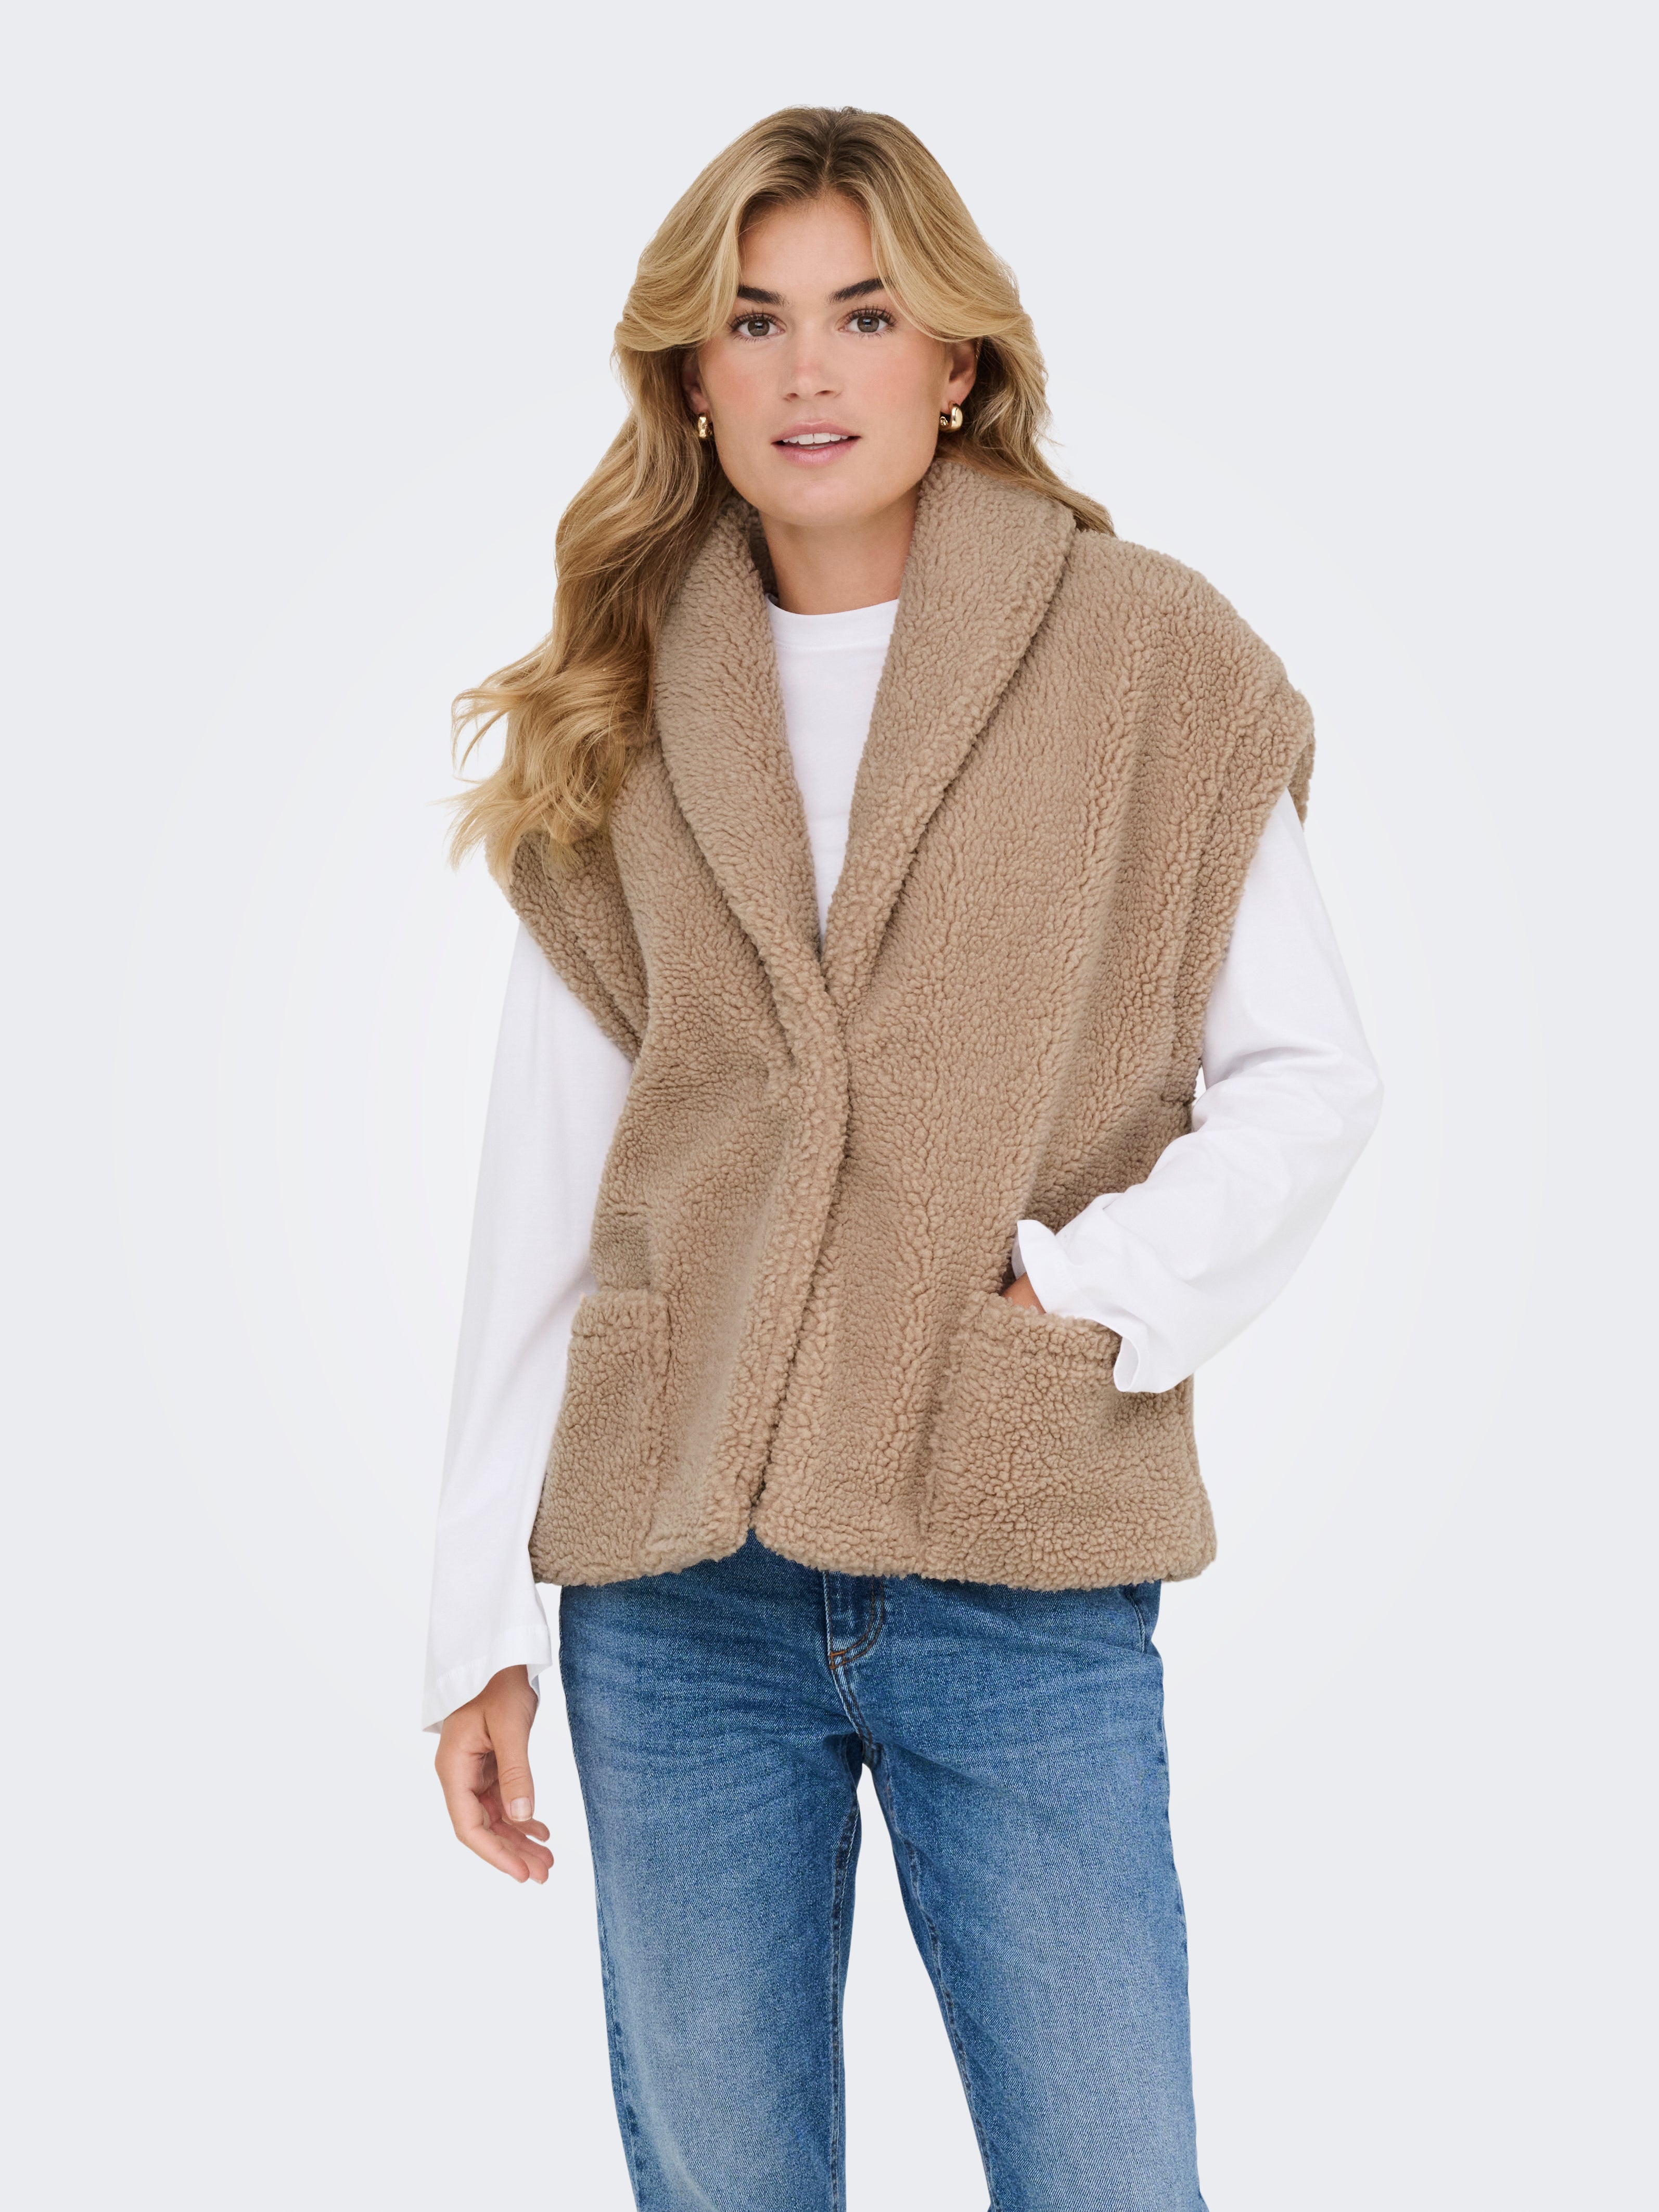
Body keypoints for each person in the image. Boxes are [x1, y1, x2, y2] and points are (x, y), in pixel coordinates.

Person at [425, 105, 1382, 2212]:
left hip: (1012, 1551)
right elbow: (547, 1183)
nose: (807, 369)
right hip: (673, 1581)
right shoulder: (626, 692)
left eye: (863, 316)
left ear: (955, 359)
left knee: (1109, 2173)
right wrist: (467, 1615)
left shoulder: (1147, 659)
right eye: (753, 321)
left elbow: (1307, 1077)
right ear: (689, 374)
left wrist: (1085, 1291)